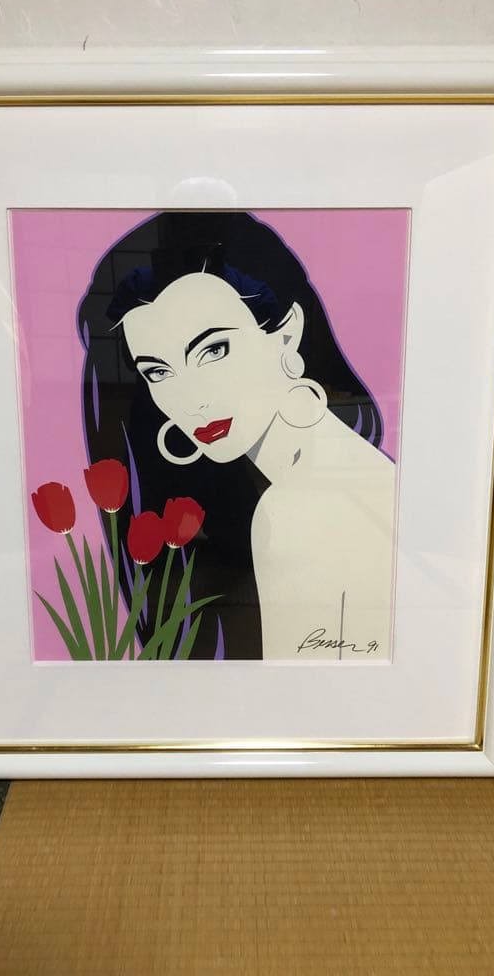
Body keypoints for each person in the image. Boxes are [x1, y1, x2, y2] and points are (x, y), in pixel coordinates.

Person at [77, 211, 395, 660]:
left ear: (287, 333)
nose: (192, 400)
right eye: (158, 372)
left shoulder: (297, 510)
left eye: (213, 349)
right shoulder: (326, 476)